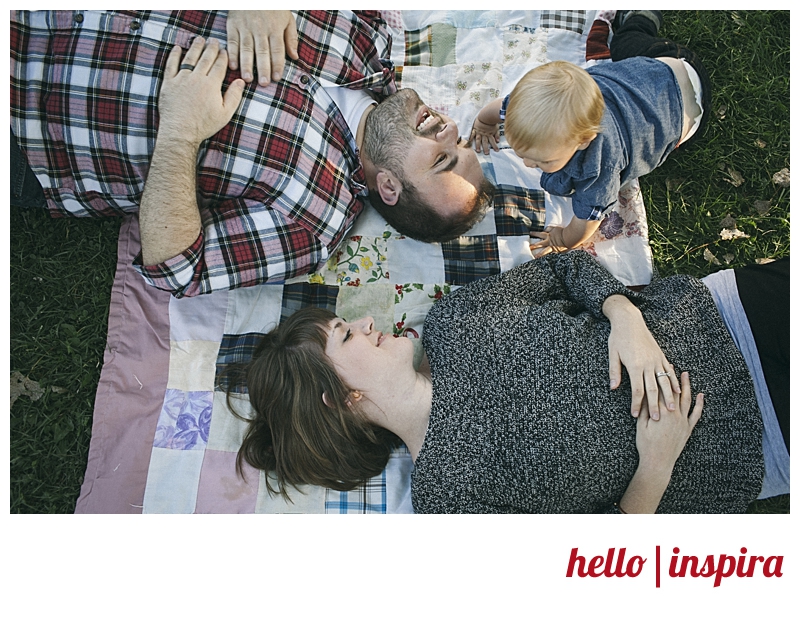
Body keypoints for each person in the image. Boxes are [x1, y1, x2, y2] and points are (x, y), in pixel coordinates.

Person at [224, 251, 789, 513]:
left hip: (727, 310)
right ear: (342, 400)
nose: (368, 322)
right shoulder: (451, 499)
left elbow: (563, 268)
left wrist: (625, 316)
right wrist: (656, 464)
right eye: (347, 336)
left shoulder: (453, 321)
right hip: (761, 439)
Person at [11, 10, 492, 297]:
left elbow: (178, 269)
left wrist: (178, 132)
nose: (448, 130)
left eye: (442, 159)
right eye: (461, 141)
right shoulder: (373, 38)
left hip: (29, 122)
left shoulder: (312, 222)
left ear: (388, 186)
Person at [469, 10, 712, 256]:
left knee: (625, 41)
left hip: (687, 102)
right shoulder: (529, 110)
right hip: (653, 69)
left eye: (545, 160)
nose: (528, 163)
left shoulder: (598, 169)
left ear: (584, 141)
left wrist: (562, 238)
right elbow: (501, 107)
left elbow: (588, 219)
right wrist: (483, 123)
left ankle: (642, 16)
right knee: (626, 48)